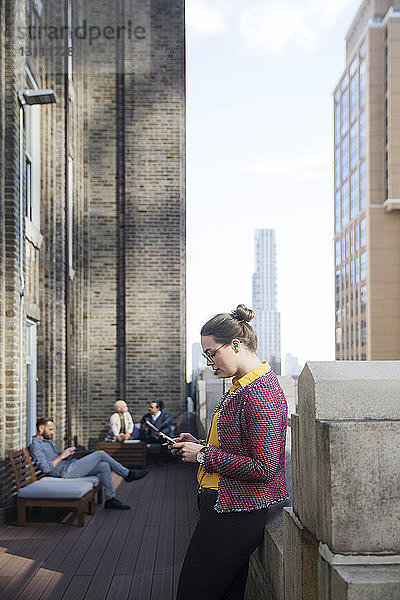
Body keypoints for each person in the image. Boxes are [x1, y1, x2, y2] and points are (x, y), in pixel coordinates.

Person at [171, 304, 288, 600]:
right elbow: (237, 445)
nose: (210, 363)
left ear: (236, 345)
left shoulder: (260, 393)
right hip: (227, 507)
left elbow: (264, 468)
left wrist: (202, 455)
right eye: (206, 355)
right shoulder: (243, 386)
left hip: (237, 513)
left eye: (212, 353)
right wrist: (199, 443)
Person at [30, 417, 149, 510]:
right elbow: (46, 468)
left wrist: (68, 454)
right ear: (41, 429)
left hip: (69, 465)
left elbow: (56, 458)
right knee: (100, 454)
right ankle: (128, 474)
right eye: (50, 429)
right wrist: (62, 456)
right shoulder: (36, 446)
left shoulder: (47, 442)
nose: (52, 432)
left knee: (104, 466)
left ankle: (111, 499)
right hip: (65, 472)